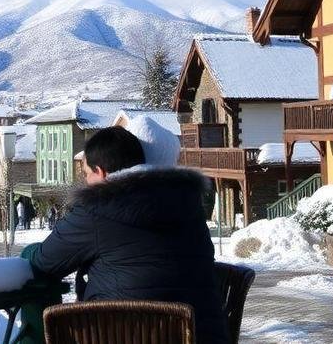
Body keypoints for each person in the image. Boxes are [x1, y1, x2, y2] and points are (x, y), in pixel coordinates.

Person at [24, 126, 228, 344]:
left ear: (101, 172)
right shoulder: (188, 202)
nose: (85, 181)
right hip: (201, 335)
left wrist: (29, 251)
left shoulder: (97, 208)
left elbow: (44, 262)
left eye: (86, 174)